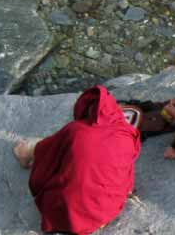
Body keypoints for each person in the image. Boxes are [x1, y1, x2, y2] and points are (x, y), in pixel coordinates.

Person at [13, 86, 140, 234]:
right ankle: (97, 221)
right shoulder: (128, 133)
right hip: (107, 211)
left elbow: (44, 151)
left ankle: (23, 156)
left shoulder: (75, 130)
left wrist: (27, 154)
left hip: (66, 216)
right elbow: (126, 170)